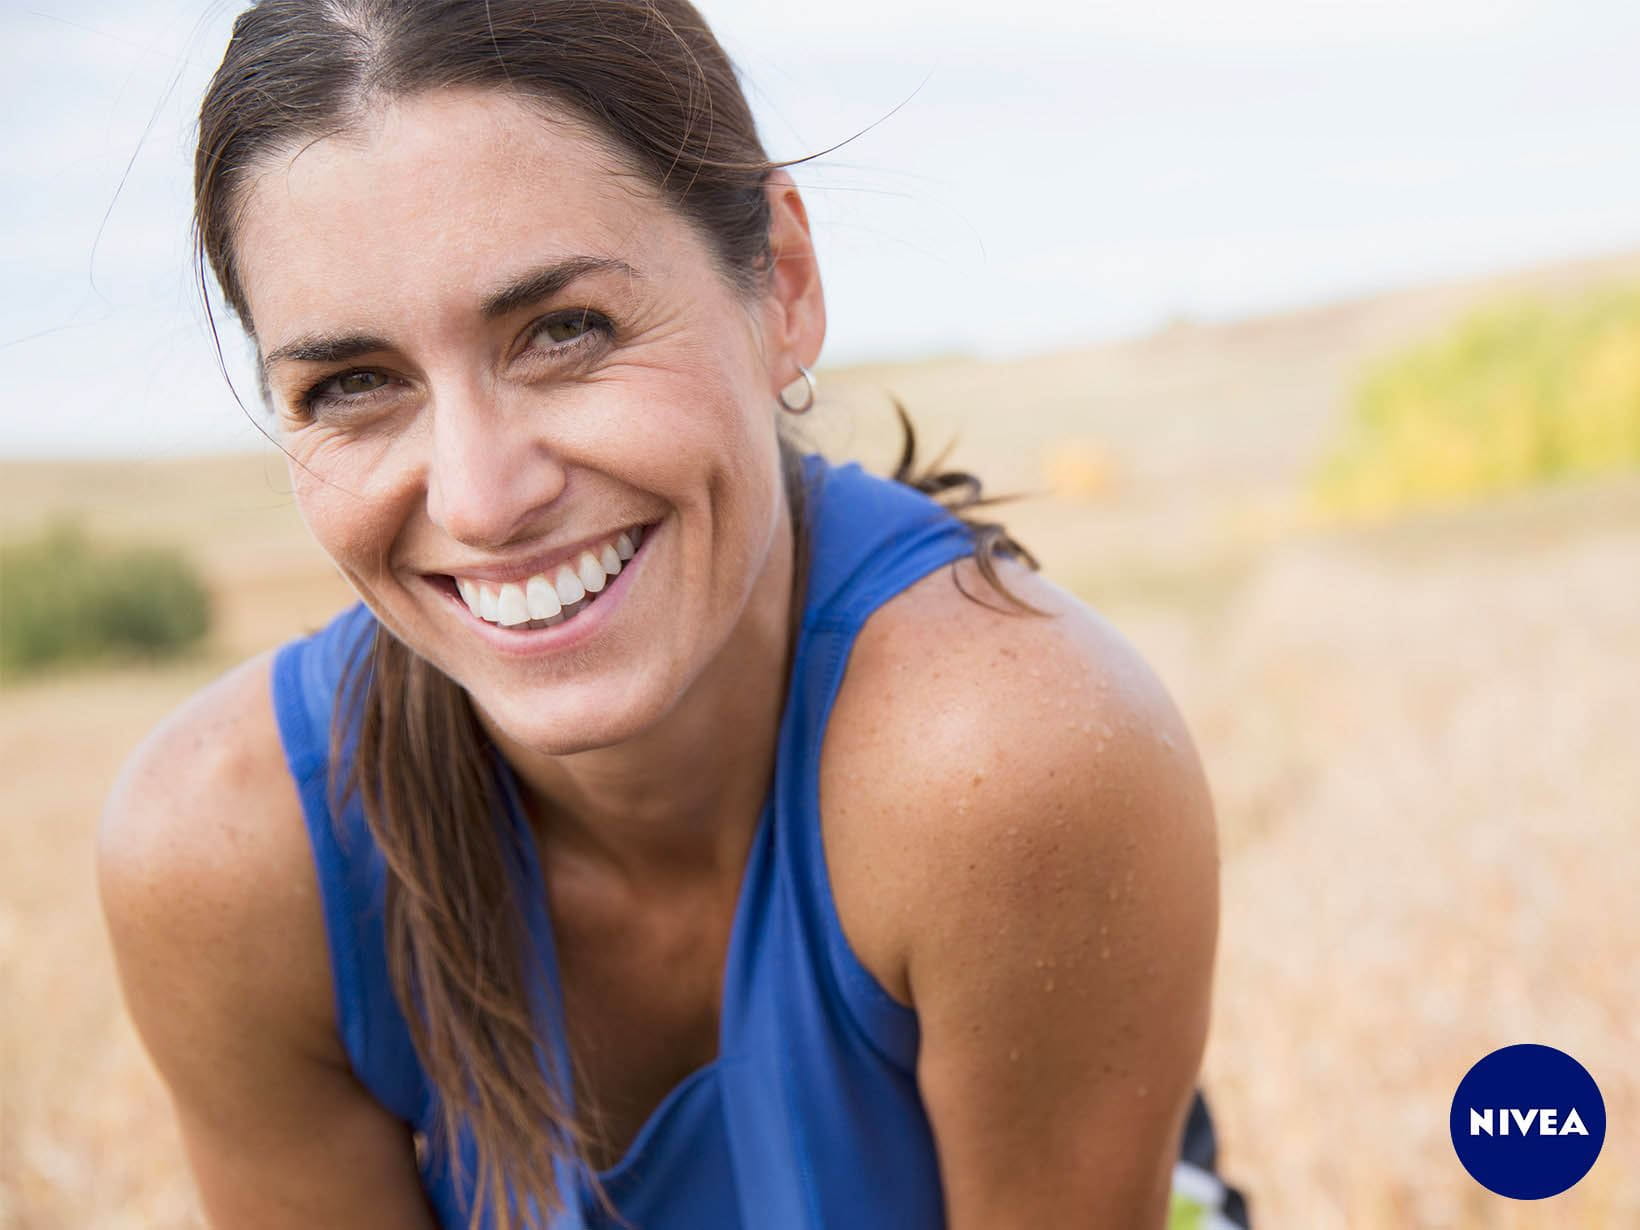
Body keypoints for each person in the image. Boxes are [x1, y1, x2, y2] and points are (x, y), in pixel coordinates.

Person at [96, 2, 1251, 1227]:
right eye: (355, 385)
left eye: (564, 330)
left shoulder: (1010, 755)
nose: (481, 501)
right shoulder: (225, 855)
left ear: (783, 286)